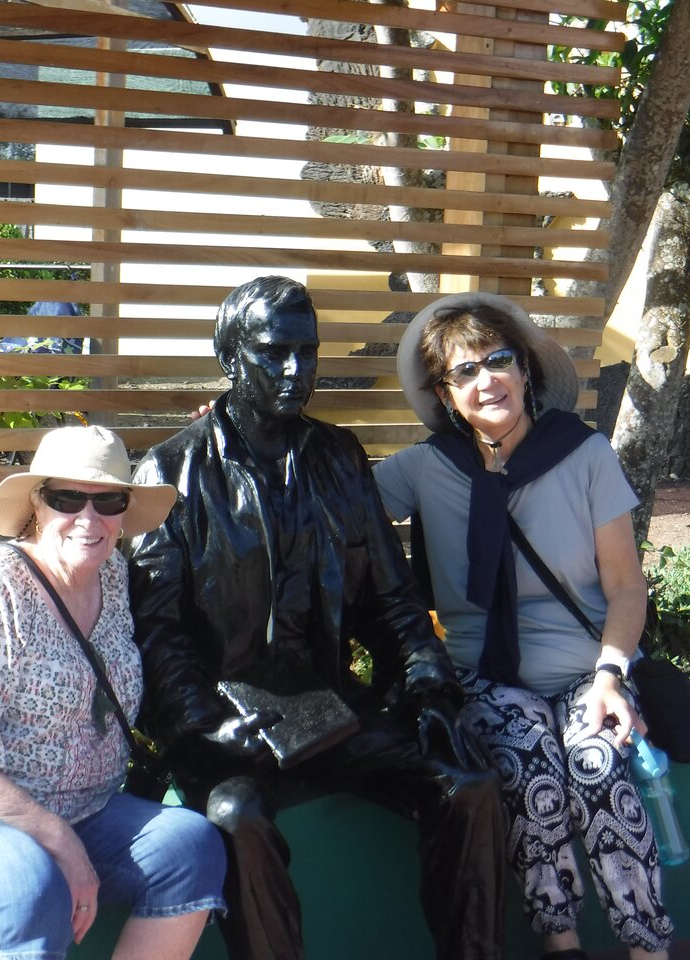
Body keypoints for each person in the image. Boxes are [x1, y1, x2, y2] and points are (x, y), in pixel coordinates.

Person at [127, 276, 507, 960]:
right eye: (275, 352)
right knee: (236, 819)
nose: (295, 370)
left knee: (469, 784)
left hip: (331, 711)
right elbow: (158, 633)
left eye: (307, 351)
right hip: (228, 727)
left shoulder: (339, 458)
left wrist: (430, 689)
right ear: (230, 355)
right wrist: (205, 726)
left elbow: (393, 601)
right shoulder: (171, 473)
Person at [373, 291, 674, 960]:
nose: (486, 380)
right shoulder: (425, 467)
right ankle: (561, 945)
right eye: (465, 371)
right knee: (526, 768)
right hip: (487, 677)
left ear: (525, 371)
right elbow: (332, 502)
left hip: (588, 670)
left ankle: (648, 949)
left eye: (498, 360)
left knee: (597, 767)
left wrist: (610, 677)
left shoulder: (584, 454)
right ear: (447, 395)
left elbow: (626, 587)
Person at [0, 425, 227, 960]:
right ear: (38, 504)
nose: (89, 518)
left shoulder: (115, 577)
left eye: (108, 500)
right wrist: (60, 842)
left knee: (192, 847)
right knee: (29, 890)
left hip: (80, 806)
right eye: (68, 499)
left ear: (125, 511)